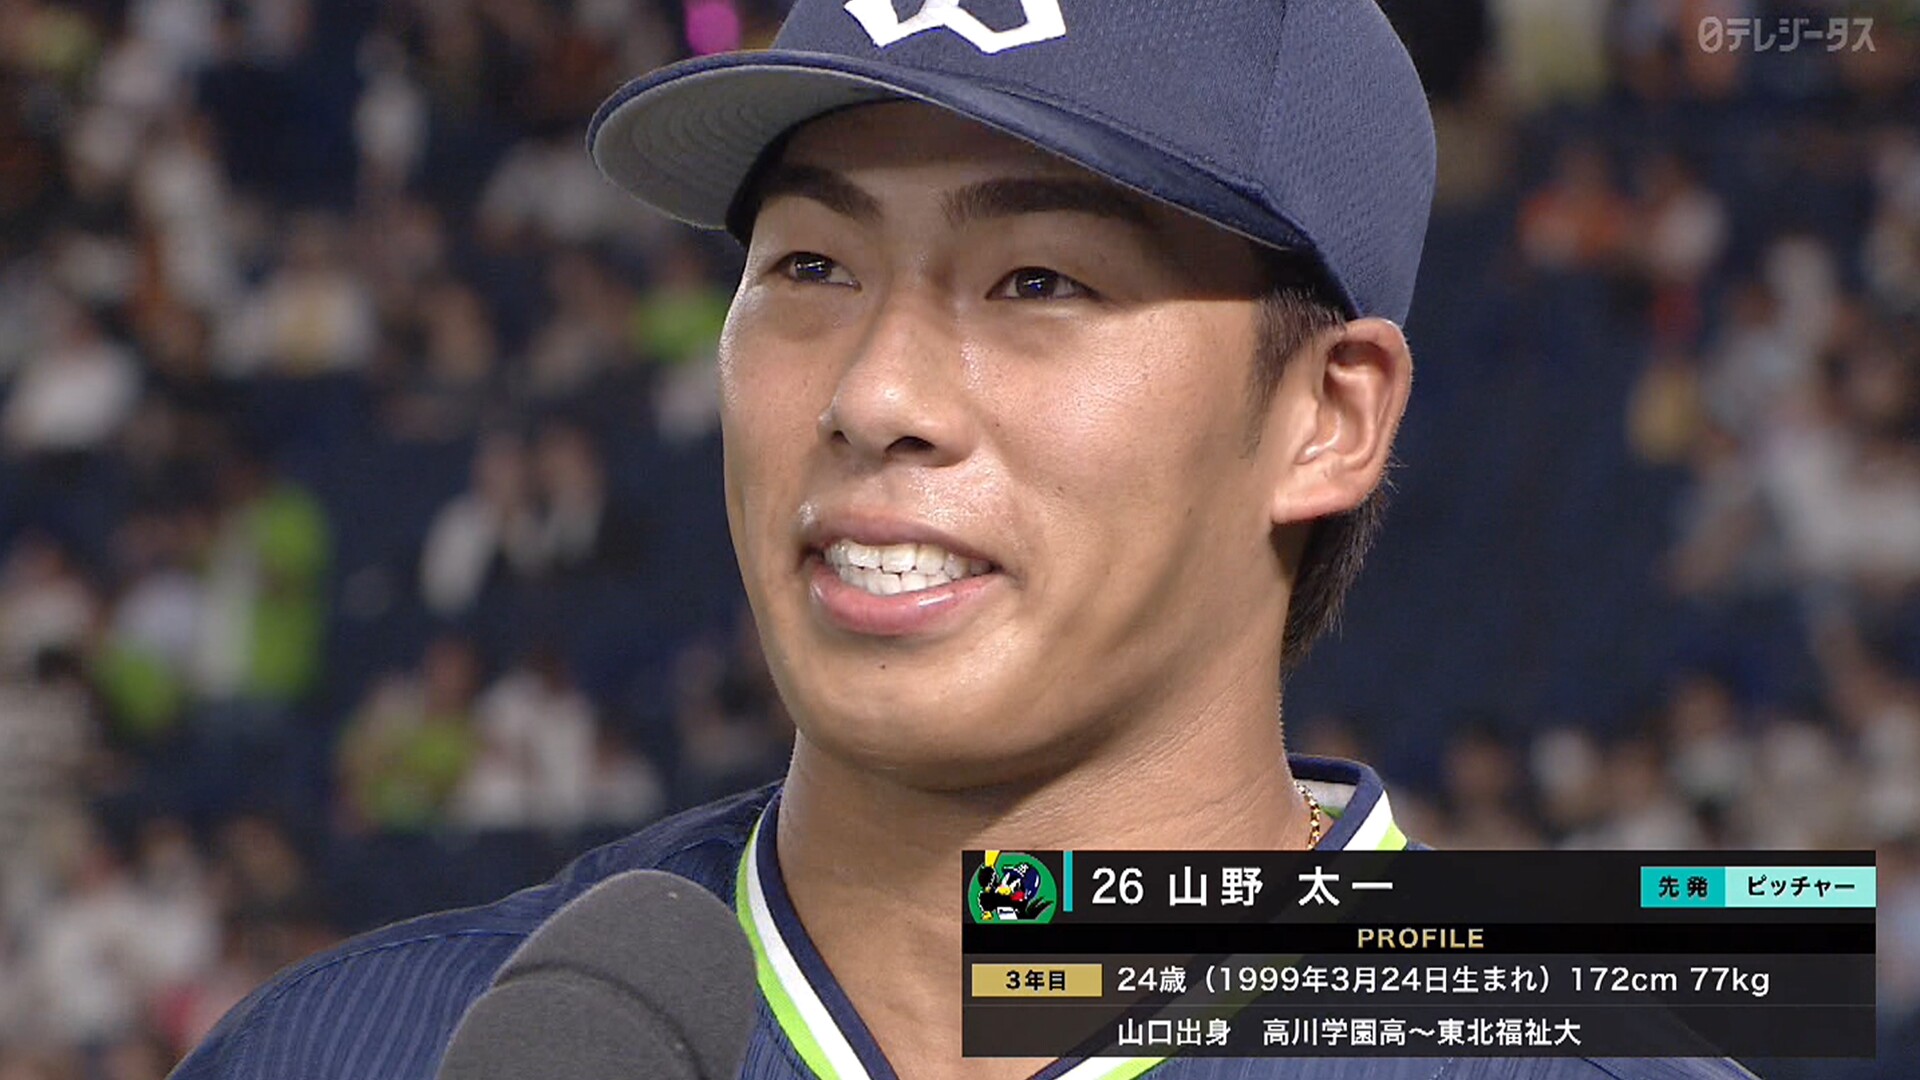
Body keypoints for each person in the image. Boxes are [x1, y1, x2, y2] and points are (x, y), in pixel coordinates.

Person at [173, 2, 1757, 1078]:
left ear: (1327, 418)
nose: (874, 395)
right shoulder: (352, 1049)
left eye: (1038, 281)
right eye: (809, 266)